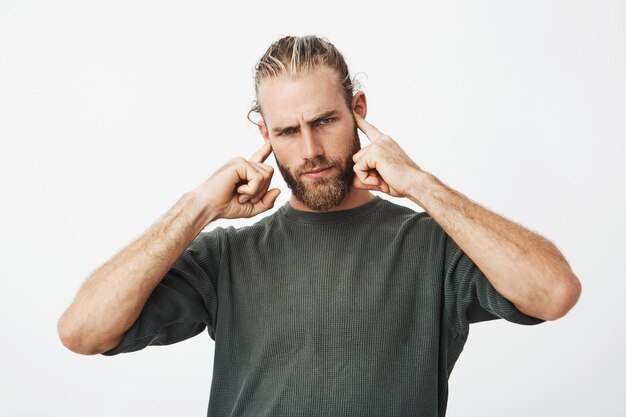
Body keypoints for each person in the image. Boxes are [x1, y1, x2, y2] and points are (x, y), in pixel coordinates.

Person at [57, 35, 582, 416]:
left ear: (358, 110)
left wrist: (422, 184)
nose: (309, 151)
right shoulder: (226, 258)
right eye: (287, 131)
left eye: (325, 121)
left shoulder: (433, 246)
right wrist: (195, 207)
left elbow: (554, 291)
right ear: (264, 134)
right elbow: (82, 332)